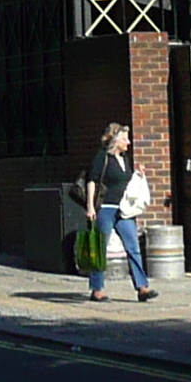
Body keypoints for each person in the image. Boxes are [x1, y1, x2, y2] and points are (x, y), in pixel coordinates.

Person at [80, 122, 156, 303]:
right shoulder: (103, 157)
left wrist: (139, 175)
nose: (128, 142)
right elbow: (92, 181)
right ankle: (97, 290)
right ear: (115, 140)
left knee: (133, 247)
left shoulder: (125, 159)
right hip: (105, 208)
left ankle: (142, 288)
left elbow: (128, 183)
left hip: (124, 211)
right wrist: (90, 206)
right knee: (99, 247)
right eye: (125, 139)